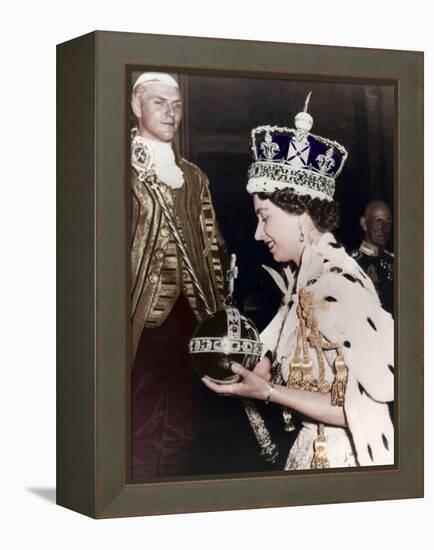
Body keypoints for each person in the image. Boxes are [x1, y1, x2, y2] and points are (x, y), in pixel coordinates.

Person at [203, 95, 394, 469]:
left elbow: (363, 409)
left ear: (301, 215)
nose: (259, 233)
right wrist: (264, 367)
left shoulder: (337, 285)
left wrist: (270, 392)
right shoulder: (306, 280)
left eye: (265, 217)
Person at [130, 72, 226, 479]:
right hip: (139, 320)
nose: (171, 113)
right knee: (141, 426)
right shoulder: (120, 169)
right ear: (136, 106)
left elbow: (211, 249)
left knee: (182, 429)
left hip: (191, 320)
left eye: (177, 104)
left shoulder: (195, 176)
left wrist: (219, 312)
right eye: (159, 103)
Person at [351, 200, 394, 315]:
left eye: (388, 223)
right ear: (364, 224)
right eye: (378, 222)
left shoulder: (395, 261)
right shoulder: (353, 264)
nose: (384, 228)